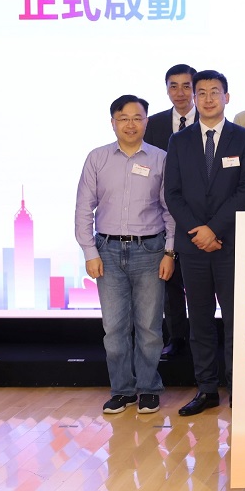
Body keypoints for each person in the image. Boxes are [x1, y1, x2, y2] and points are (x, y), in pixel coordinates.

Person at [164, 70, 245, 416]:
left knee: (235, 321)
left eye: (214, 92)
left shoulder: (244, 138)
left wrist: (214, 230)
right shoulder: (180, 141)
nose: (206, 98)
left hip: (230, 244)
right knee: (200, 320)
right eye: (200, 92)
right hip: (193, 248)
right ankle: (206, 389)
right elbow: (172, 193)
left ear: (226, 97)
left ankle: (238, 388)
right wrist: (198, 232)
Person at [76, 95, 175, 415]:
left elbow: (170, 210)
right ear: (113, 122)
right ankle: (121, 389)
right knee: (115, 327)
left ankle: (148, 388)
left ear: (147, 121)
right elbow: (83, 208)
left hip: (151, 250)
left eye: (137, 117)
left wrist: (170, 251)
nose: (131, 124)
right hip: (107, 250)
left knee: (149, 327)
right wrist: (90, 251)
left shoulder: (161, 158)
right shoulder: (97, 158)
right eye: (123, 118)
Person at [142, 63, 195, 360]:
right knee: (170, 282)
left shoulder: (209, 120)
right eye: (173, 86)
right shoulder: (156, 124)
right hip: (163, 215)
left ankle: (203, 338)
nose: (180, 92)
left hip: (202, 217)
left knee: (201, 284)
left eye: (186, 86)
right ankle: (177, 338)